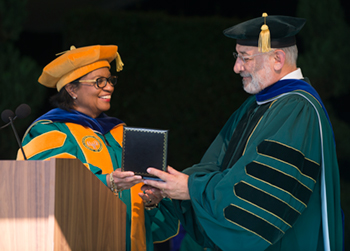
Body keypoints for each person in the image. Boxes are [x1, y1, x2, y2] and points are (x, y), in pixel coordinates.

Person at [142, 13, 343, 250]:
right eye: (237, 56)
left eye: (245, 57)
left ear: (277, 59)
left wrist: (191, 188)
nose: (237, 67)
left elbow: (259, 193)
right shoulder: (256, 105)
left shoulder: (298, 109)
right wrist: (168, 190)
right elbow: (216, 165)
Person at [16, 44, 179, 251]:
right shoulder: (49, 131)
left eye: (110, 80)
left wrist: (152, 201)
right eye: (99, 82)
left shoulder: (120, 133)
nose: (109, 87)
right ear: (72, 89)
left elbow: (147, 220)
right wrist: (108, 181)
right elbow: (52, 187)